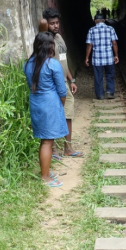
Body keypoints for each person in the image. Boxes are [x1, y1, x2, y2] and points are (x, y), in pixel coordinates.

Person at [23, 32, 68, 187]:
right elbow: (62, 91)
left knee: (44, 140)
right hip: (50, 103)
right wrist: (60, 105)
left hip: (35, 103)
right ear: (50, 47)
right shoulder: (52, 64)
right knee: (48, 142)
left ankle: (46, 171)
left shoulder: (28, 64)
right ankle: (45, 177)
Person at [42, 8, 84, 159]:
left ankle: (68, 147)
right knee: (53, 115)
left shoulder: (59, 37)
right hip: (52, 84)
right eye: (52, 23)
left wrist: (71, 79)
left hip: (64, 83)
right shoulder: (45, 41)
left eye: (57, 22)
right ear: (45, 24)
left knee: (68, 113)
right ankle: (52, 150)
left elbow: (63, 60)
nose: (55, 26)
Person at [85, 13, 119, 99]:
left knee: (98, 76)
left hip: (97, 59)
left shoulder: (91, 30)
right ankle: (110, 92)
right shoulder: (110, 29)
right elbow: (114, 43)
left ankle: (100, 95)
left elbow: (89, 45)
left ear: (95, 21)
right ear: (104, 20)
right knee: (110, 74)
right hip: (109, 57)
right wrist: (116, 55)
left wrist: (87, 58)